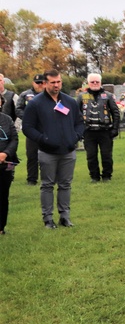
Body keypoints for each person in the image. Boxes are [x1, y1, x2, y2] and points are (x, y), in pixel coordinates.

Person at [21, 70, 85, 229]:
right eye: (52, 82)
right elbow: (27, 127)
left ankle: (65, 216)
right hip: (47, 152)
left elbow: (80, 122)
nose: (56, 85)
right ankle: (48, 219)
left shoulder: (69, 101)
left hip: (68, 151)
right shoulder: (36, 103)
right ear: (45, 83)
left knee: (65, 184)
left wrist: (75, 137)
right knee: (47, 185)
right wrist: (43, 139)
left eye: (58, 82)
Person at [77, 73, 120, 183]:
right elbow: (76, 114)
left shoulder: (108, 96)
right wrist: (79, 130)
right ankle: (94, 176)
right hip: (89, 131)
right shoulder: (82, 96)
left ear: (101, 83)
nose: (95, 83)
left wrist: (115, 129)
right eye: (92, 82)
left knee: (106, 155)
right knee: (91, 156)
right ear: (88, 83)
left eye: (97, 82)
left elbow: (115, 112)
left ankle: (107, 176)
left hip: (105, 131)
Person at [16, 74, 45, 185]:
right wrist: (29, 118)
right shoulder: (25, 95)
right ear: (33, 83)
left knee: (47, 155)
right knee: (32, 155)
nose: (40, 85)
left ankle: (46, 177)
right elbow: (18, 109)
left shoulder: (49, 94)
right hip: (31, 130)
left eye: (42, 82)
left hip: (46, 129)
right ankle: (32, 179)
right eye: (37, 83)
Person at [0, 107, 18, 234]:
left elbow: (14, 139)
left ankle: (0, 227)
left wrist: (5, 153)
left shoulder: (7, 119)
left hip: (5, 164)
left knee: (2, 196)